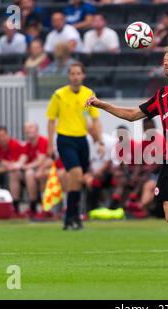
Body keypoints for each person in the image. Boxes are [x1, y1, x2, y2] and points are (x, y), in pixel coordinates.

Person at [86, 44, 168, 266]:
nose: (165, 62)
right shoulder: (162, 94)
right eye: (164, 59)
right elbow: (131, 115)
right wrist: (101, 104)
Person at [46, 61, 102, 230]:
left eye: (78, 73)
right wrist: (49, 144)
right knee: (76, 174)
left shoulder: (89, 93)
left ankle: (72, 217)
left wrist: (100, 141)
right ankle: (72, 216)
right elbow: (50, 120)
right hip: (64, 139)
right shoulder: (59, 95)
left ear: (83, 75)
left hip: (81, 141)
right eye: (72, 74)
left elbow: (95, 119)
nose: (76, 77)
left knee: (76, 181)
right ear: (69, 76)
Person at [22, 122, 48, 217]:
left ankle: (45, 207)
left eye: (30, 127)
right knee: (29, 173)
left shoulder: (43, 141)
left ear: (36, 130)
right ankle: (33, 206)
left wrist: (25, 166)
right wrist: (13, 165)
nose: (28, 130)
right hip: (35, 170)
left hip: (48, 169)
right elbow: (22, 160)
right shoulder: (27, 145)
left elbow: (41, 161)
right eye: (26, 128)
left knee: (39, 174)